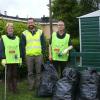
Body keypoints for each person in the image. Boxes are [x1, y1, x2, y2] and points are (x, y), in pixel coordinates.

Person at [21, 18, 46, 90]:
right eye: (29, 23)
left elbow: (43, 44)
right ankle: (31, 86)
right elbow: (22, 45)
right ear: (27, 24)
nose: (30, 24)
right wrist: (23, 55)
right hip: (29, 56)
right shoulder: (24, 33)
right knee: (30, 72)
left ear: (34, 23)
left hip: (38, 55)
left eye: (31, 22)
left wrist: (42, 53)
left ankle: (38, 86)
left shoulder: (40, 32)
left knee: (38, 72)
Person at [0, 22, 22, 93]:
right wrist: (3, 58)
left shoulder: (17, 38)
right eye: (9, 28)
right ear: (7, 30)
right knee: (9, 75)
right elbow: (2, 48)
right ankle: (9, 88)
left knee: (15, 74)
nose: (10, 29)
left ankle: (15, 88)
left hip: (15, 59)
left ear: (13, 29)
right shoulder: (3, 38)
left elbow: (19, 48)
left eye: (11, 28)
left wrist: (20, 57)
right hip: (8, 60)